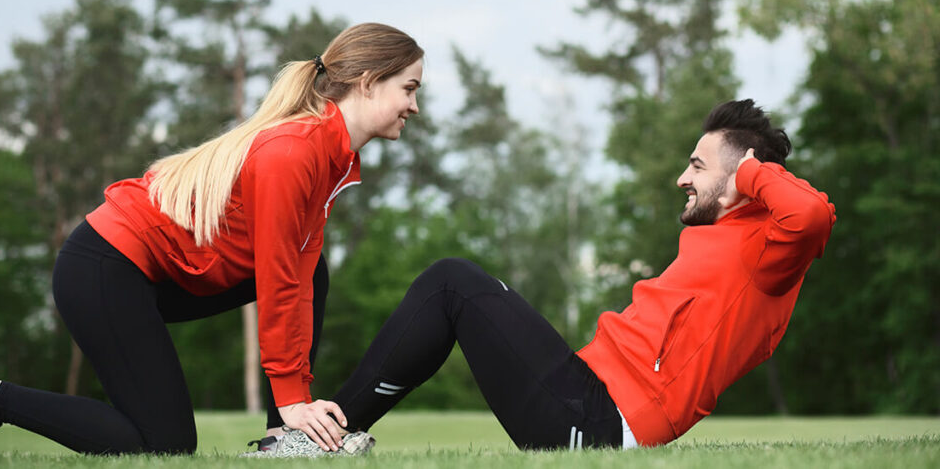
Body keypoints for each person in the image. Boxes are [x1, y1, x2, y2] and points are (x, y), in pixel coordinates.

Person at [0, 22, 424, 455]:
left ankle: (282, 438)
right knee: (163, 444)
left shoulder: (330, 156)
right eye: (408, 88)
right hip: (105, 265)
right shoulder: (295, 151)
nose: (415, 106)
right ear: (367, 83)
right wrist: (293, 398)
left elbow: (297, 278)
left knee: (310, 270)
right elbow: (276, 279)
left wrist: (290, 402)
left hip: (160, 276)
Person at [253, 98, 836, 455]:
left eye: (697, 165)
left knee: (451, 282)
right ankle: (329, 434)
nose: (683, 178)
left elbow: (812, 213)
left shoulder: (771, 249)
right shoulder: (725, 237)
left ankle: (318, 439)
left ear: (740, 177)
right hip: (587, 392)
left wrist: (753, 171)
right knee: (454, 286)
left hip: (603, 424)